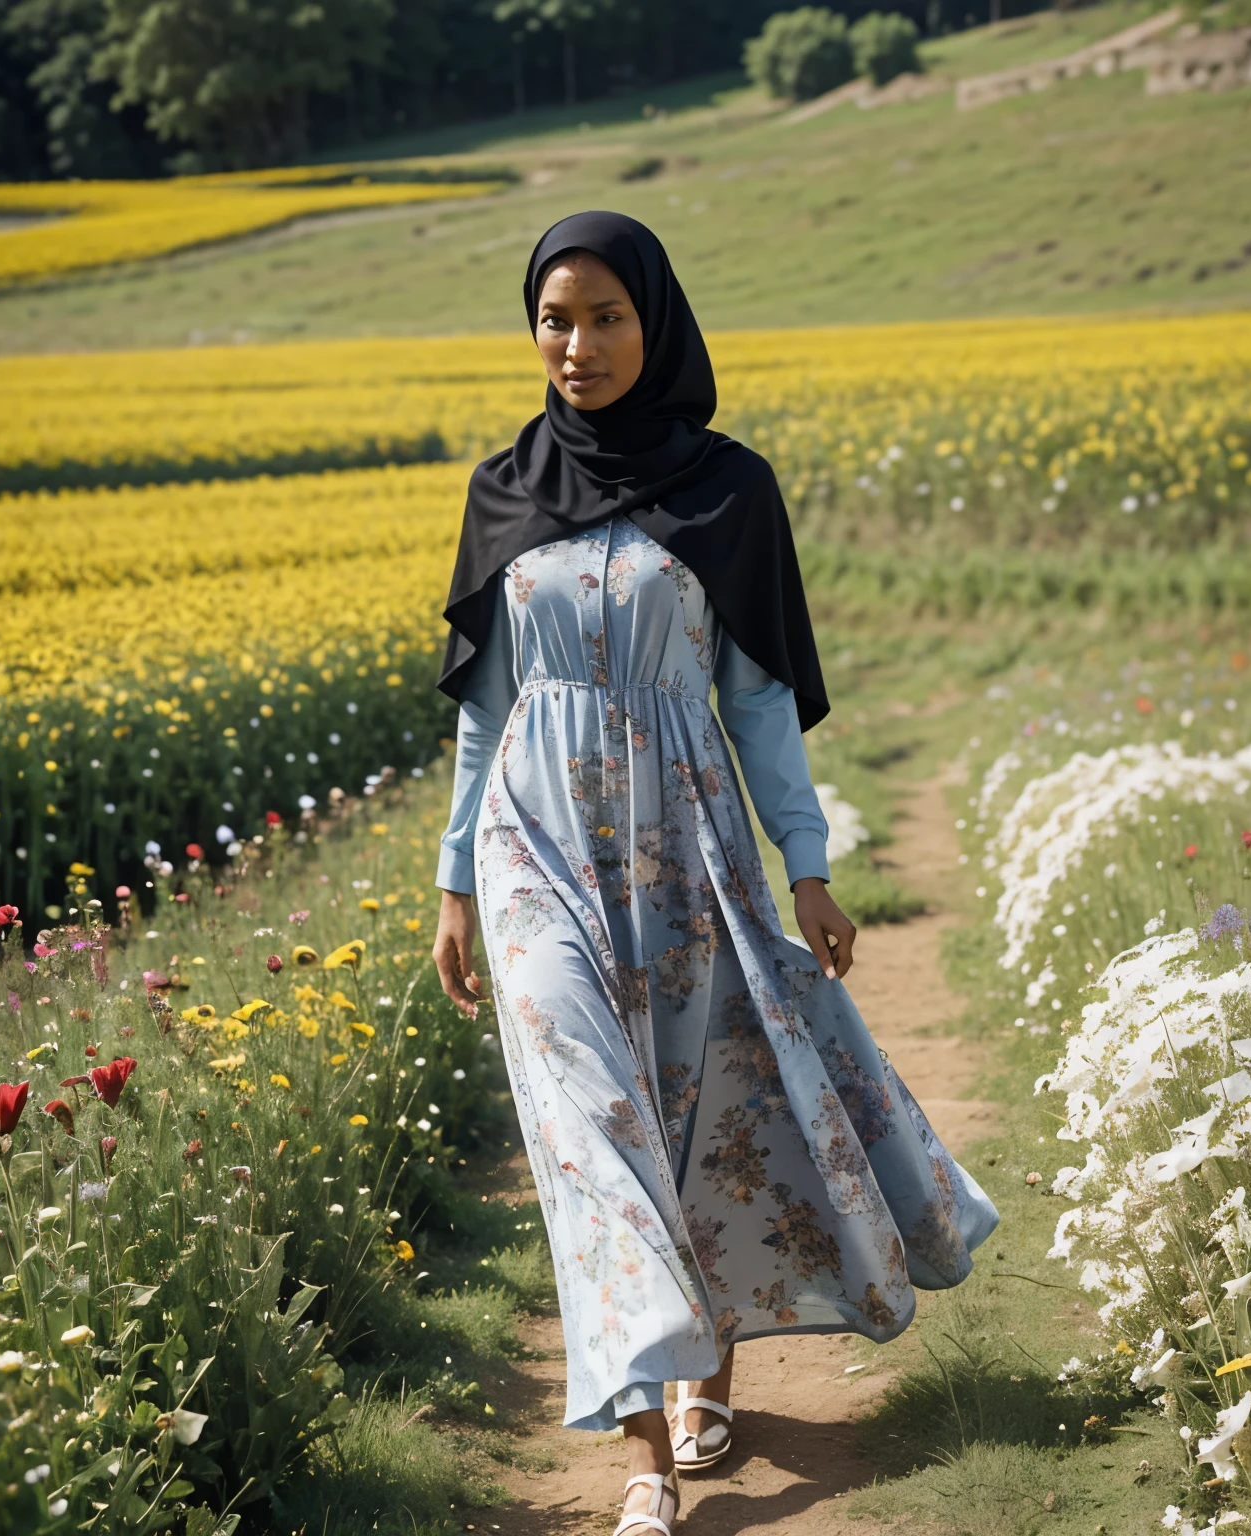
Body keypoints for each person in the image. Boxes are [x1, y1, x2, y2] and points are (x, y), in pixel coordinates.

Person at [431, 210, 997, 1536]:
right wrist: (454, 878)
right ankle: (647, 1458)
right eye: (556, 319)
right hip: (534, 850)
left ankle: (704, 1377)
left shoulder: (731, 490)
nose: (579, 345)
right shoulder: (502, 489)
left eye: (608, 316)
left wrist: (808, 869)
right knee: (592, 1132)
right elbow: (482, 708)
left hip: (690, 849)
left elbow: (759, 705)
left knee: (702, 1113)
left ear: (658, 321)